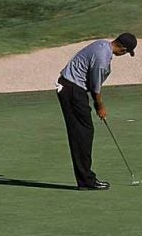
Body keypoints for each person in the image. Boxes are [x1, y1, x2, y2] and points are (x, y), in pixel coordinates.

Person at [56, 33, 137, 191]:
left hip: (71, 88)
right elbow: (95, 88)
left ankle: (85, 179)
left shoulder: (102, 45)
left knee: (83, 132)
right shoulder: (102, 58)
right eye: (127, 52)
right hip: (72, 90)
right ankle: (86, 180)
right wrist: (100, 106)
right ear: (123, 49)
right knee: (82, 134)